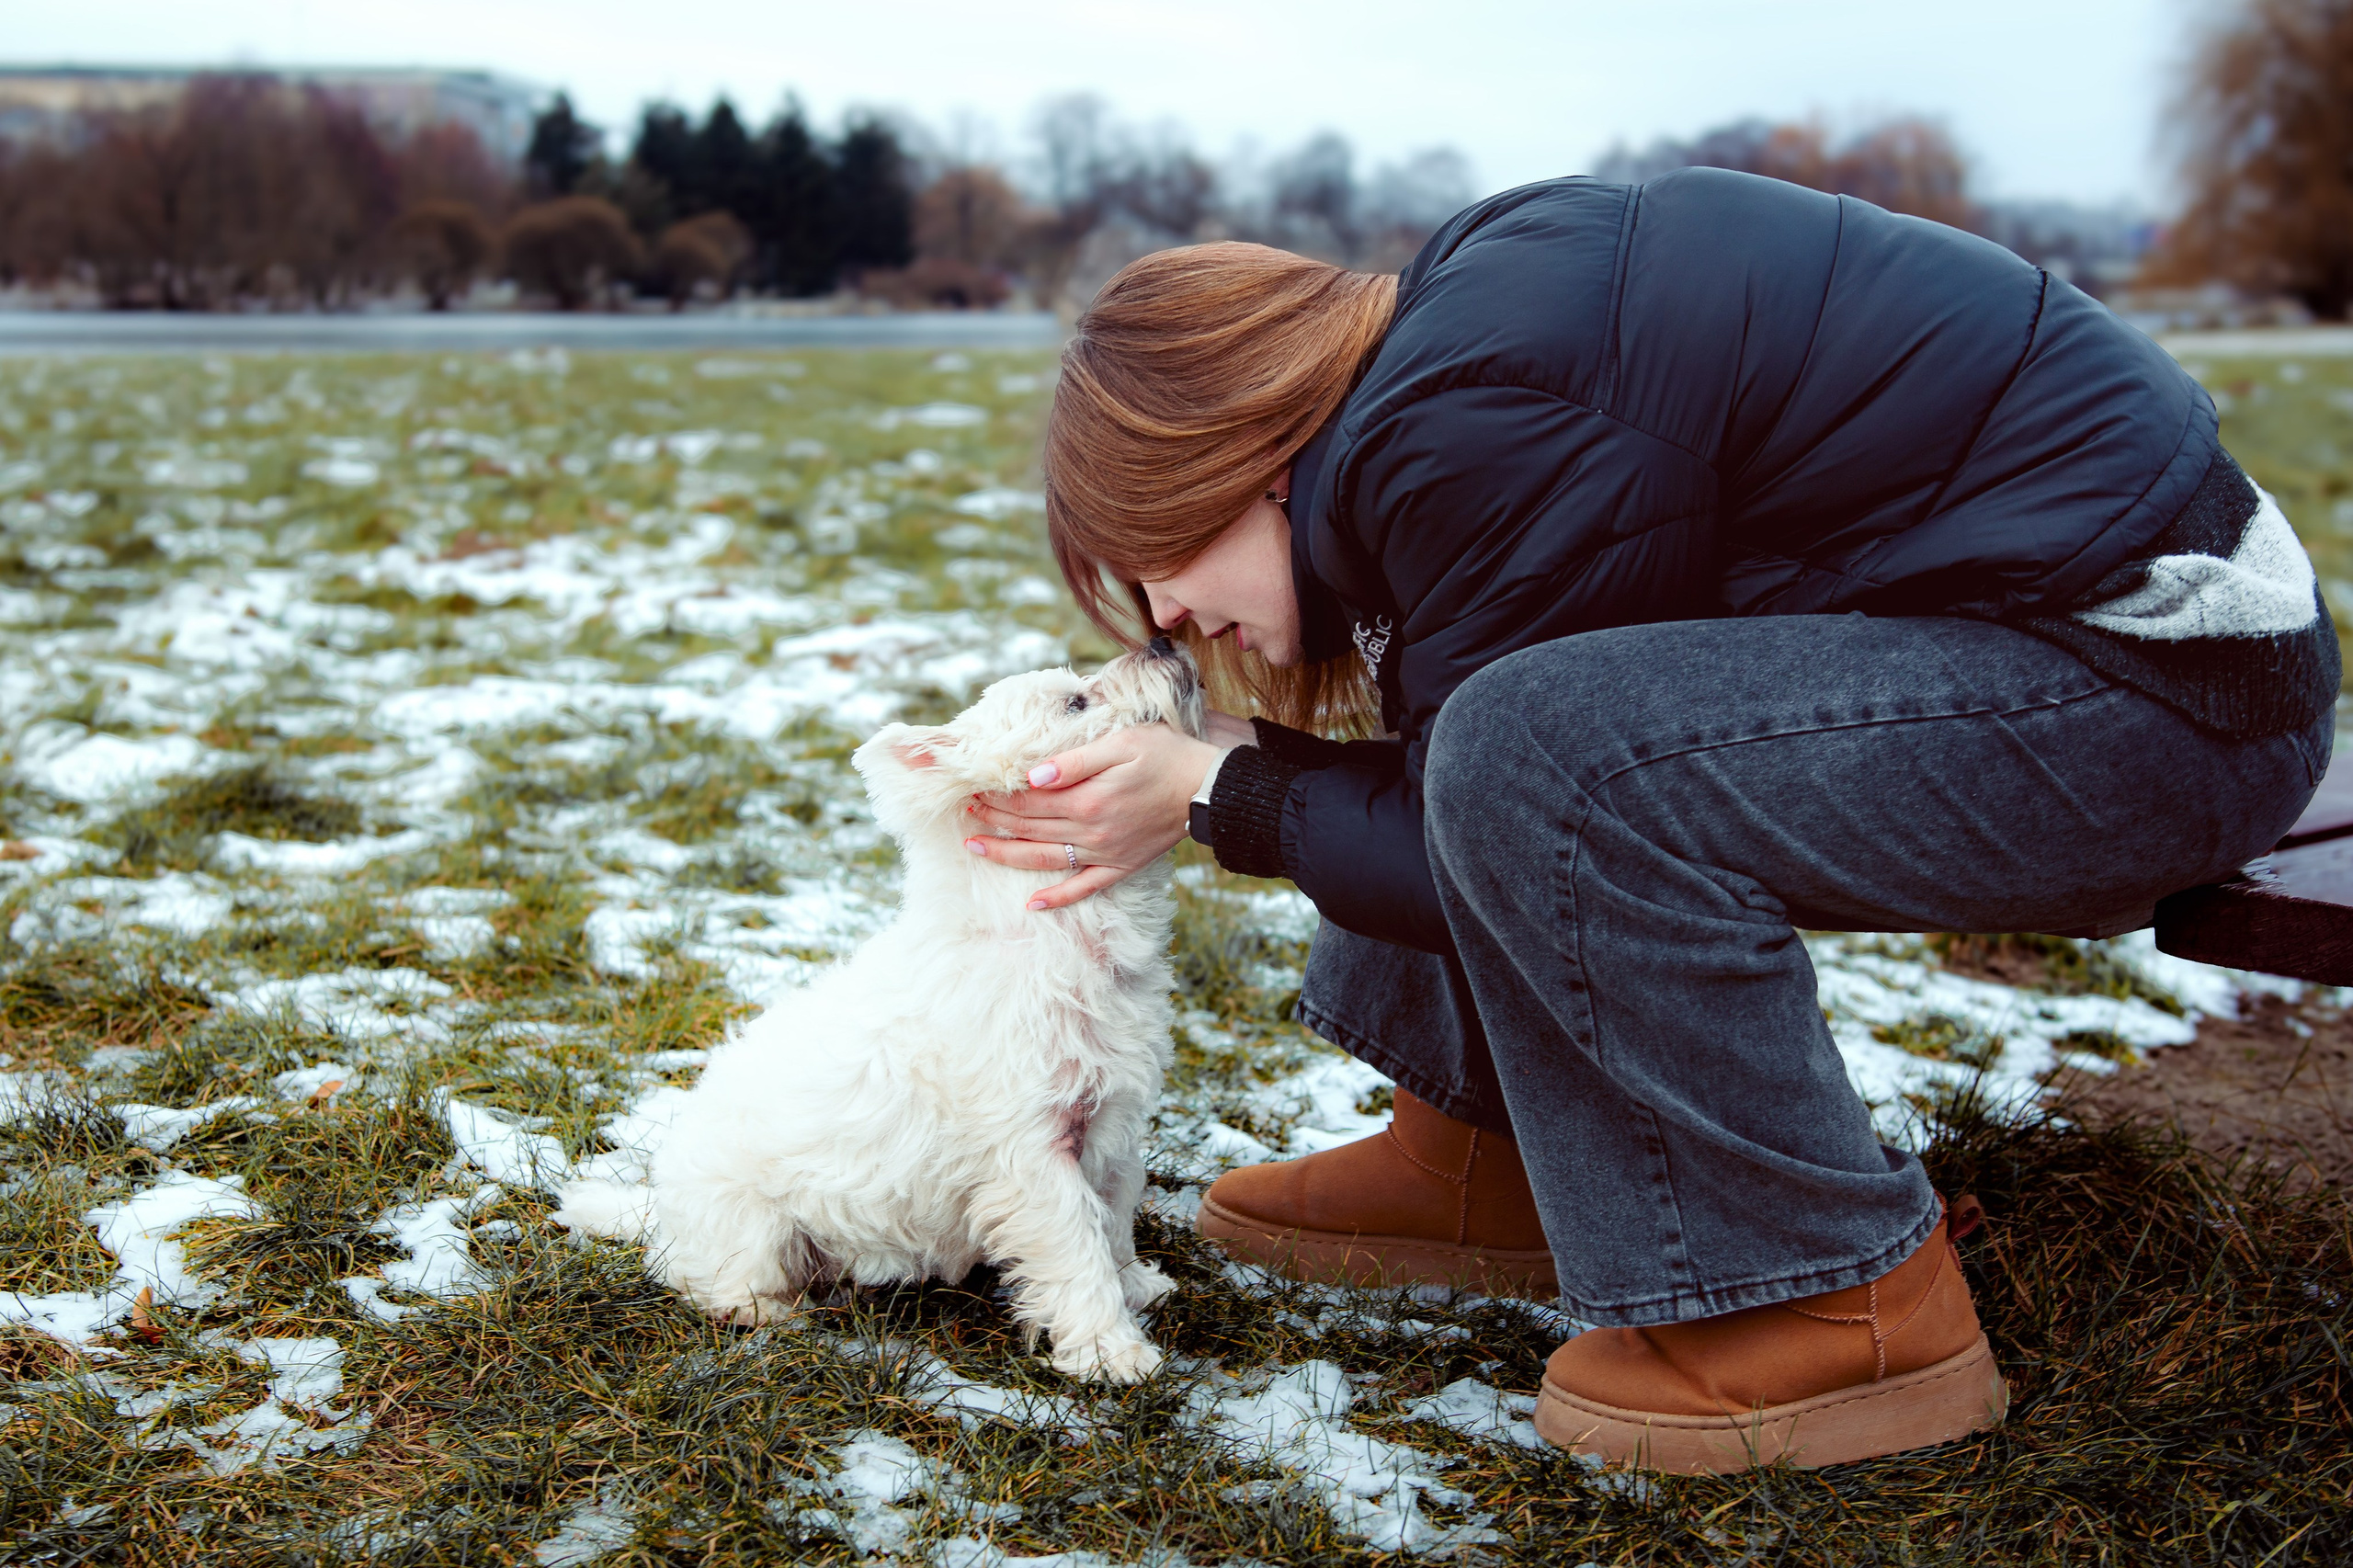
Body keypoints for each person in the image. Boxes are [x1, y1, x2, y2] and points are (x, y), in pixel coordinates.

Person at [958, 168, 2337, 1471]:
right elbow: (1476, 744)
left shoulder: (1461, 415)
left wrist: (1227, 787)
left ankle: (1843, 1301)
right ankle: (1484, 1152)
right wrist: (1251, 755)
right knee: (1476, 711)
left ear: (1238, 456)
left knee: (1528, 750)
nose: (1170, 620)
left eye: (1155, 559)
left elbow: (1517, 827)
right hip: (2141, 651)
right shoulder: (1444, 361)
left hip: (2165, 693)